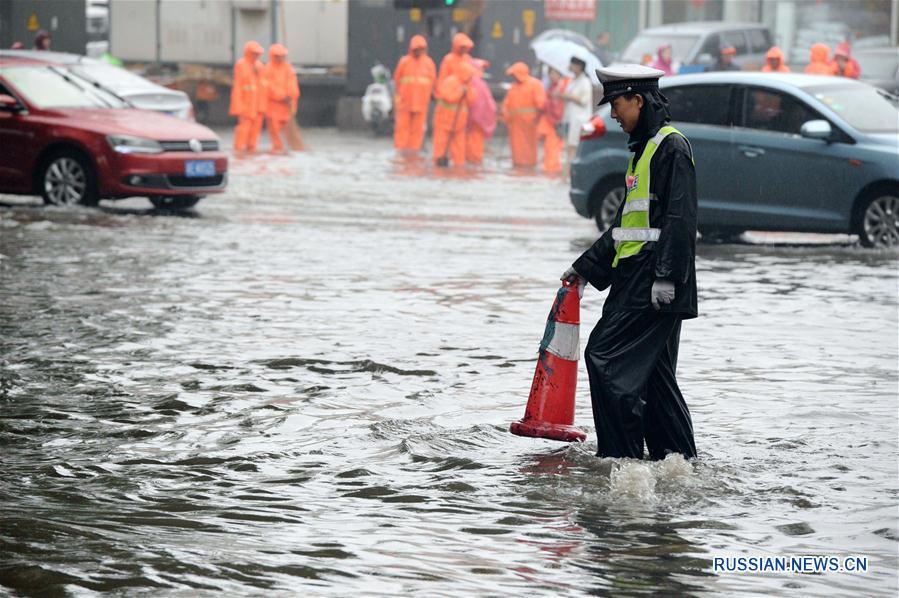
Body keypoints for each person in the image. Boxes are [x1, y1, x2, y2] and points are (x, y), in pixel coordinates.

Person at [561, 64, 698, 461]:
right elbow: (625, 225)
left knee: (603, 355)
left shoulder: (671, 147)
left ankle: (620, 461)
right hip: (636, 279)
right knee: (655, 378)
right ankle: (676, 463)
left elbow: (680, 218)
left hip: (653, 283)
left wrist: (667, 277)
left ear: (638, 100)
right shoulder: (644, 151)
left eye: (617, 105)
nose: (614, 115)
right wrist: (586, 268)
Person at [393, 35, 436, 153]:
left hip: (421, 104)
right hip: (405, 103)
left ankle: (414, 153)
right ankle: (401, 152)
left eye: (421, 49)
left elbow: (433, 82)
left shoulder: (429, 63)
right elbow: (397, 79)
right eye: (416, 49)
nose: (418, 51)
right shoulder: (404, 62)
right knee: (402, 129)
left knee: (418, 131)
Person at [501, 62, 546, 169]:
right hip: (515, 124)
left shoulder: (535, 84)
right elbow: (507, 103)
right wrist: (504, 116)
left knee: (529, 147)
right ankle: (518, 165)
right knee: (516, 147)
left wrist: (537, 118)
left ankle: (529, 167)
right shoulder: (513, 87)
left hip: (530, 123)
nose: (513, 77)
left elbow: (541, 104)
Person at [432, 62, 477, 167]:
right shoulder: (450, 81)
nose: (471, 77)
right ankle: (438, 165)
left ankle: (458, 167)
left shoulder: (468, 85)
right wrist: (460, 92)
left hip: (459, 123)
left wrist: (467, 92)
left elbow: (471, 101)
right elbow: (448, 97)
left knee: (459, 149)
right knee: (440, 146)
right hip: (444, 121)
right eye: (469, 75)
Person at [558, 57, 593, 181]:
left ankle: (569, 177)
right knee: (569, 149)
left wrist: (569, 96)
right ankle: (565, 176)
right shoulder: (572, 81)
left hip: (579, 121)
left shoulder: (585, 82)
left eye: (572, 65)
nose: (570, 67)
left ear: (578, 67)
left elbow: (584, 101)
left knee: (573, 149)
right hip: (569, 119)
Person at [229, 40, 265, 156]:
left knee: (255, 131)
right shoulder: (241, 64)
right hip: (246, 104)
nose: (256, 56)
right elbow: (238, 86)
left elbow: (263, 86)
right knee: (243, 129)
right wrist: (238, 106)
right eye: (254, 53)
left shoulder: (259, 66)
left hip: (257, 105)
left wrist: (262, 106)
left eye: (258, 54)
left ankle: (251, 150)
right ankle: (239, 151)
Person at [262, 43, 300, 154]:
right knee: (275, 134)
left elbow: (293, 84)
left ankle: (288, 151)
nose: (280, 58)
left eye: (282, 56)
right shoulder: (267, 69)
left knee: (290, 133)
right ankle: (277, 151)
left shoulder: (288, 68)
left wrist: (290, 95)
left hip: (287, 107)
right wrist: (282, 96)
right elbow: (268, 87)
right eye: (278, 56)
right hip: (273, 108)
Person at [465, 59, 496, 165]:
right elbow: (484, 105)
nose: (483, 70)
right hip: (477, 122)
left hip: (471, 122)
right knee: (474, 151)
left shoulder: (471, 81)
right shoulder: (479, 83)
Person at [537, 67, 567, 174]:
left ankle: (552, 170)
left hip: (556, 123)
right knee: (548, 148)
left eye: (554, 74)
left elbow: (560, 107)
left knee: (554, 148)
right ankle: (549, 168)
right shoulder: (551, 87)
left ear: (559, 75)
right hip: (549, 122)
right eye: (550, 74)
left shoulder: (561, 88)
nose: (552, 76)